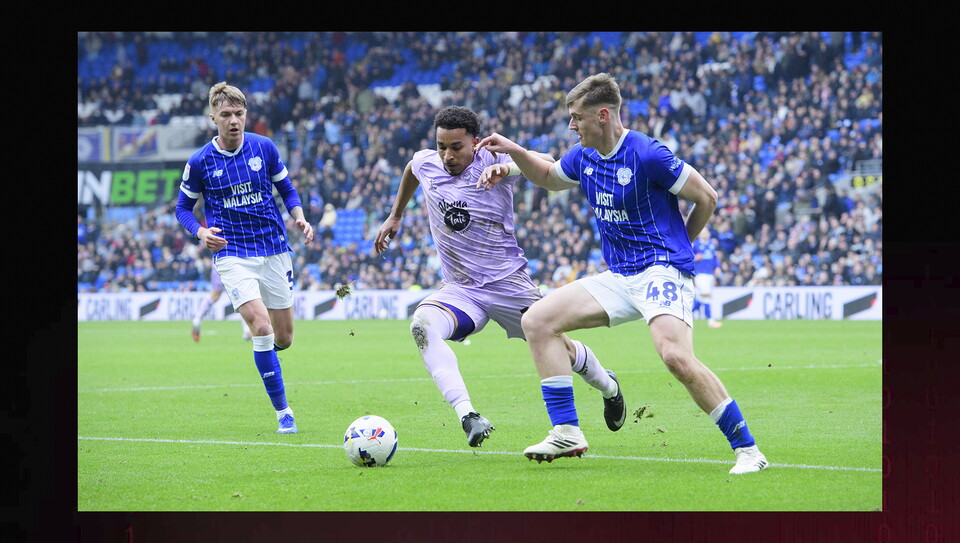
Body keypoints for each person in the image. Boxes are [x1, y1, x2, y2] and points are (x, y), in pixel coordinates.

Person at [476, 73, 767, 473]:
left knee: (676, 358)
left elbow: (706, 197)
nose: (571, 125)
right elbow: (547, 176)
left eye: (577, 117)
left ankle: (749, 451)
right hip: (619, 276)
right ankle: (567, 431)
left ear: (603, 115)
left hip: (661, 270)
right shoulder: (583, 156)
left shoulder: (648, 154)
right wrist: (512, 159)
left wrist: (680, 247)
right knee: (537, 321)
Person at [374, 105, 625, 448]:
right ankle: (468, 415)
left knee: (562, 349)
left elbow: (546, 161)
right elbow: (411, 169)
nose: (447, 156)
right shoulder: (426, 162)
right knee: (422, 325)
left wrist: (508, 166)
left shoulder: (494, 159)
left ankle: (608, 386)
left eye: (456, 147)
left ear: (475, 142)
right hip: (461, 290)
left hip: (508, 285)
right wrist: (396, 215)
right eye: (441, 146)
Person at [175, 81, 314, 434]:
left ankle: (264, 359)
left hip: (274, 247)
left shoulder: (263, 147)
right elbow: (182, 209)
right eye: (226, 114)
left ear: (246, 114)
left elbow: (287, 189)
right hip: (232, 253)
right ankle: (284, 413)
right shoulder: (200, 162)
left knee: (284, 338)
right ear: (213, 118)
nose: (233, 120)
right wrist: (201, 233)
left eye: (239, 113)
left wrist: (299, 216)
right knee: (261, 328)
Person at [191, 264, 253, 342]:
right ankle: (247, 330)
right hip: (233, 264)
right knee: (242, 296)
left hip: (217, 263)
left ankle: (197, 319)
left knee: (214, 296)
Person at [691, 228, 723, 328]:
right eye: (703, 233)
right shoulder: (695, 244)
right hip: (701, 274)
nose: (705, 234)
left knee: (702, 298)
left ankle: (687, 314)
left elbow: (715, 257)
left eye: (706, 232)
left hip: (710, 274)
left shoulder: (712, 244)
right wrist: (695, 258)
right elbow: (687, 257)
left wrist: (717, 267)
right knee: (706, 296)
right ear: (699, 234)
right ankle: (711, 320)